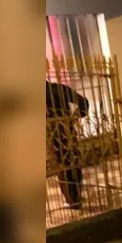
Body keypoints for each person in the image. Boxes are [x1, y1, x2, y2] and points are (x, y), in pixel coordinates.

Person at [47, 80, 89, 209]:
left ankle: (72, 200)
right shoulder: (60, 89)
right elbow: (84, 103)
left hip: (51, 133)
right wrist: (72, 118)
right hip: (67, 130)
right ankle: (76, 196)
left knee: (61, 165)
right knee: (73, 162)